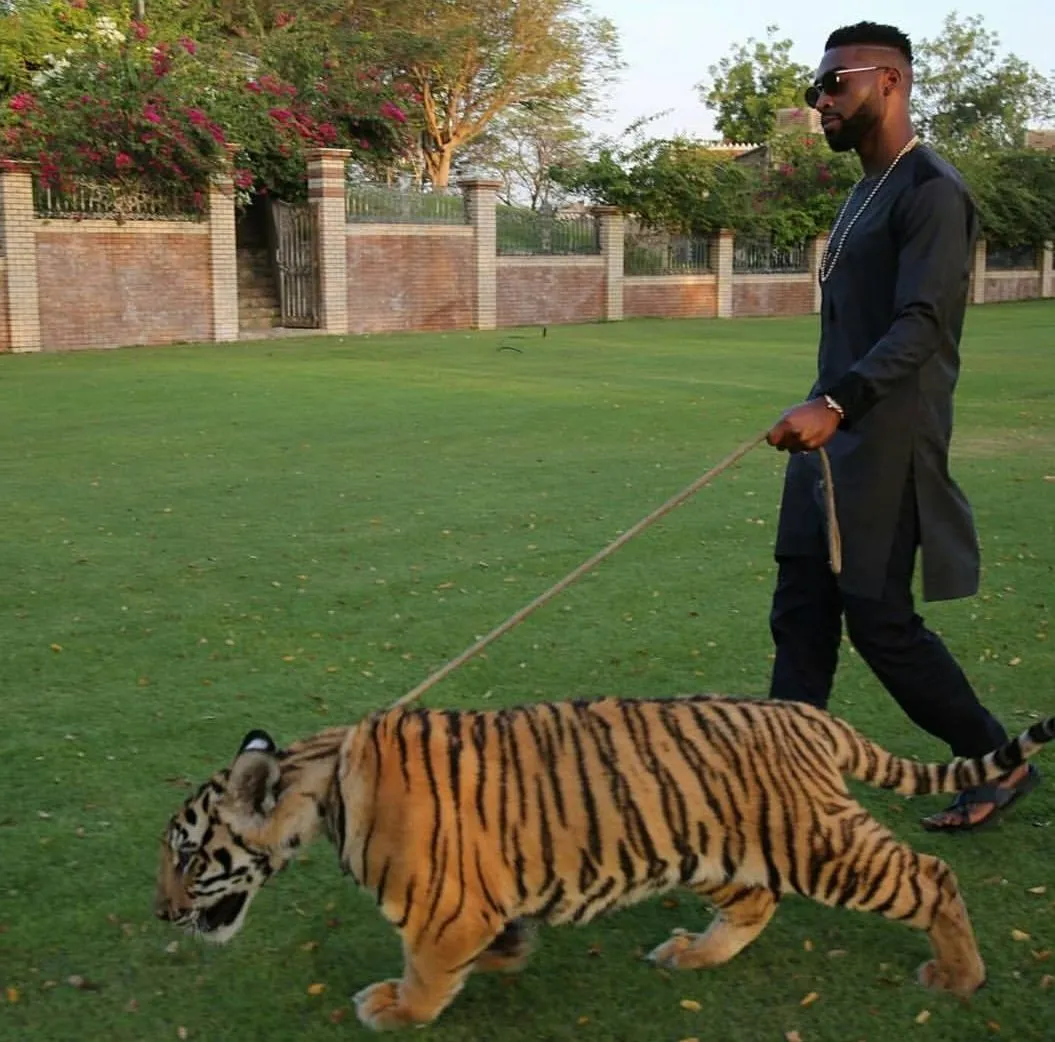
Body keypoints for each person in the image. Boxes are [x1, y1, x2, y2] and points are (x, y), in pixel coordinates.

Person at [764, 21, 1040, 831]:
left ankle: (998, 763)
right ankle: (784, 780)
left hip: (883, 441)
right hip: (830, 434)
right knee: (800, 608)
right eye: (816, 90)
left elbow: (922, 324)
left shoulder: (933, 191)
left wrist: (837, 403)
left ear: (887, 82)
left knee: (878, 622)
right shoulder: (862, 193)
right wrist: (824, 406)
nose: (819, 101)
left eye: (833, 84)